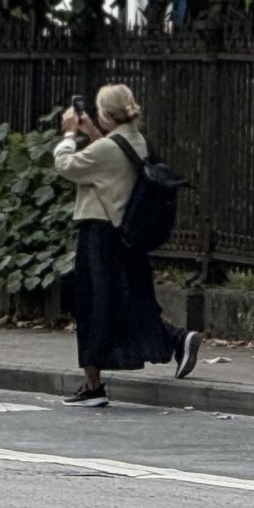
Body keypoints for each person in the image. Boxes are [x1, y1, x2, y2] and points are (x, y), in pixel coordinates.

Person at [53, 83, 199, 405]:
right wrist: (92, 131)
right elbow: (111, 159)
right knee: (131, 302)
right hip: (126, 235)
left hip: (99, 233)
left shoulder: (106, 149)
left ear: (106, 113)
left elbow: (67, 166)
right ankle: (177, 341)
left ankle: (93, 385)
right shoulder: (138, 141)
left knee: (93, 305)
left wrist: (67, 136)